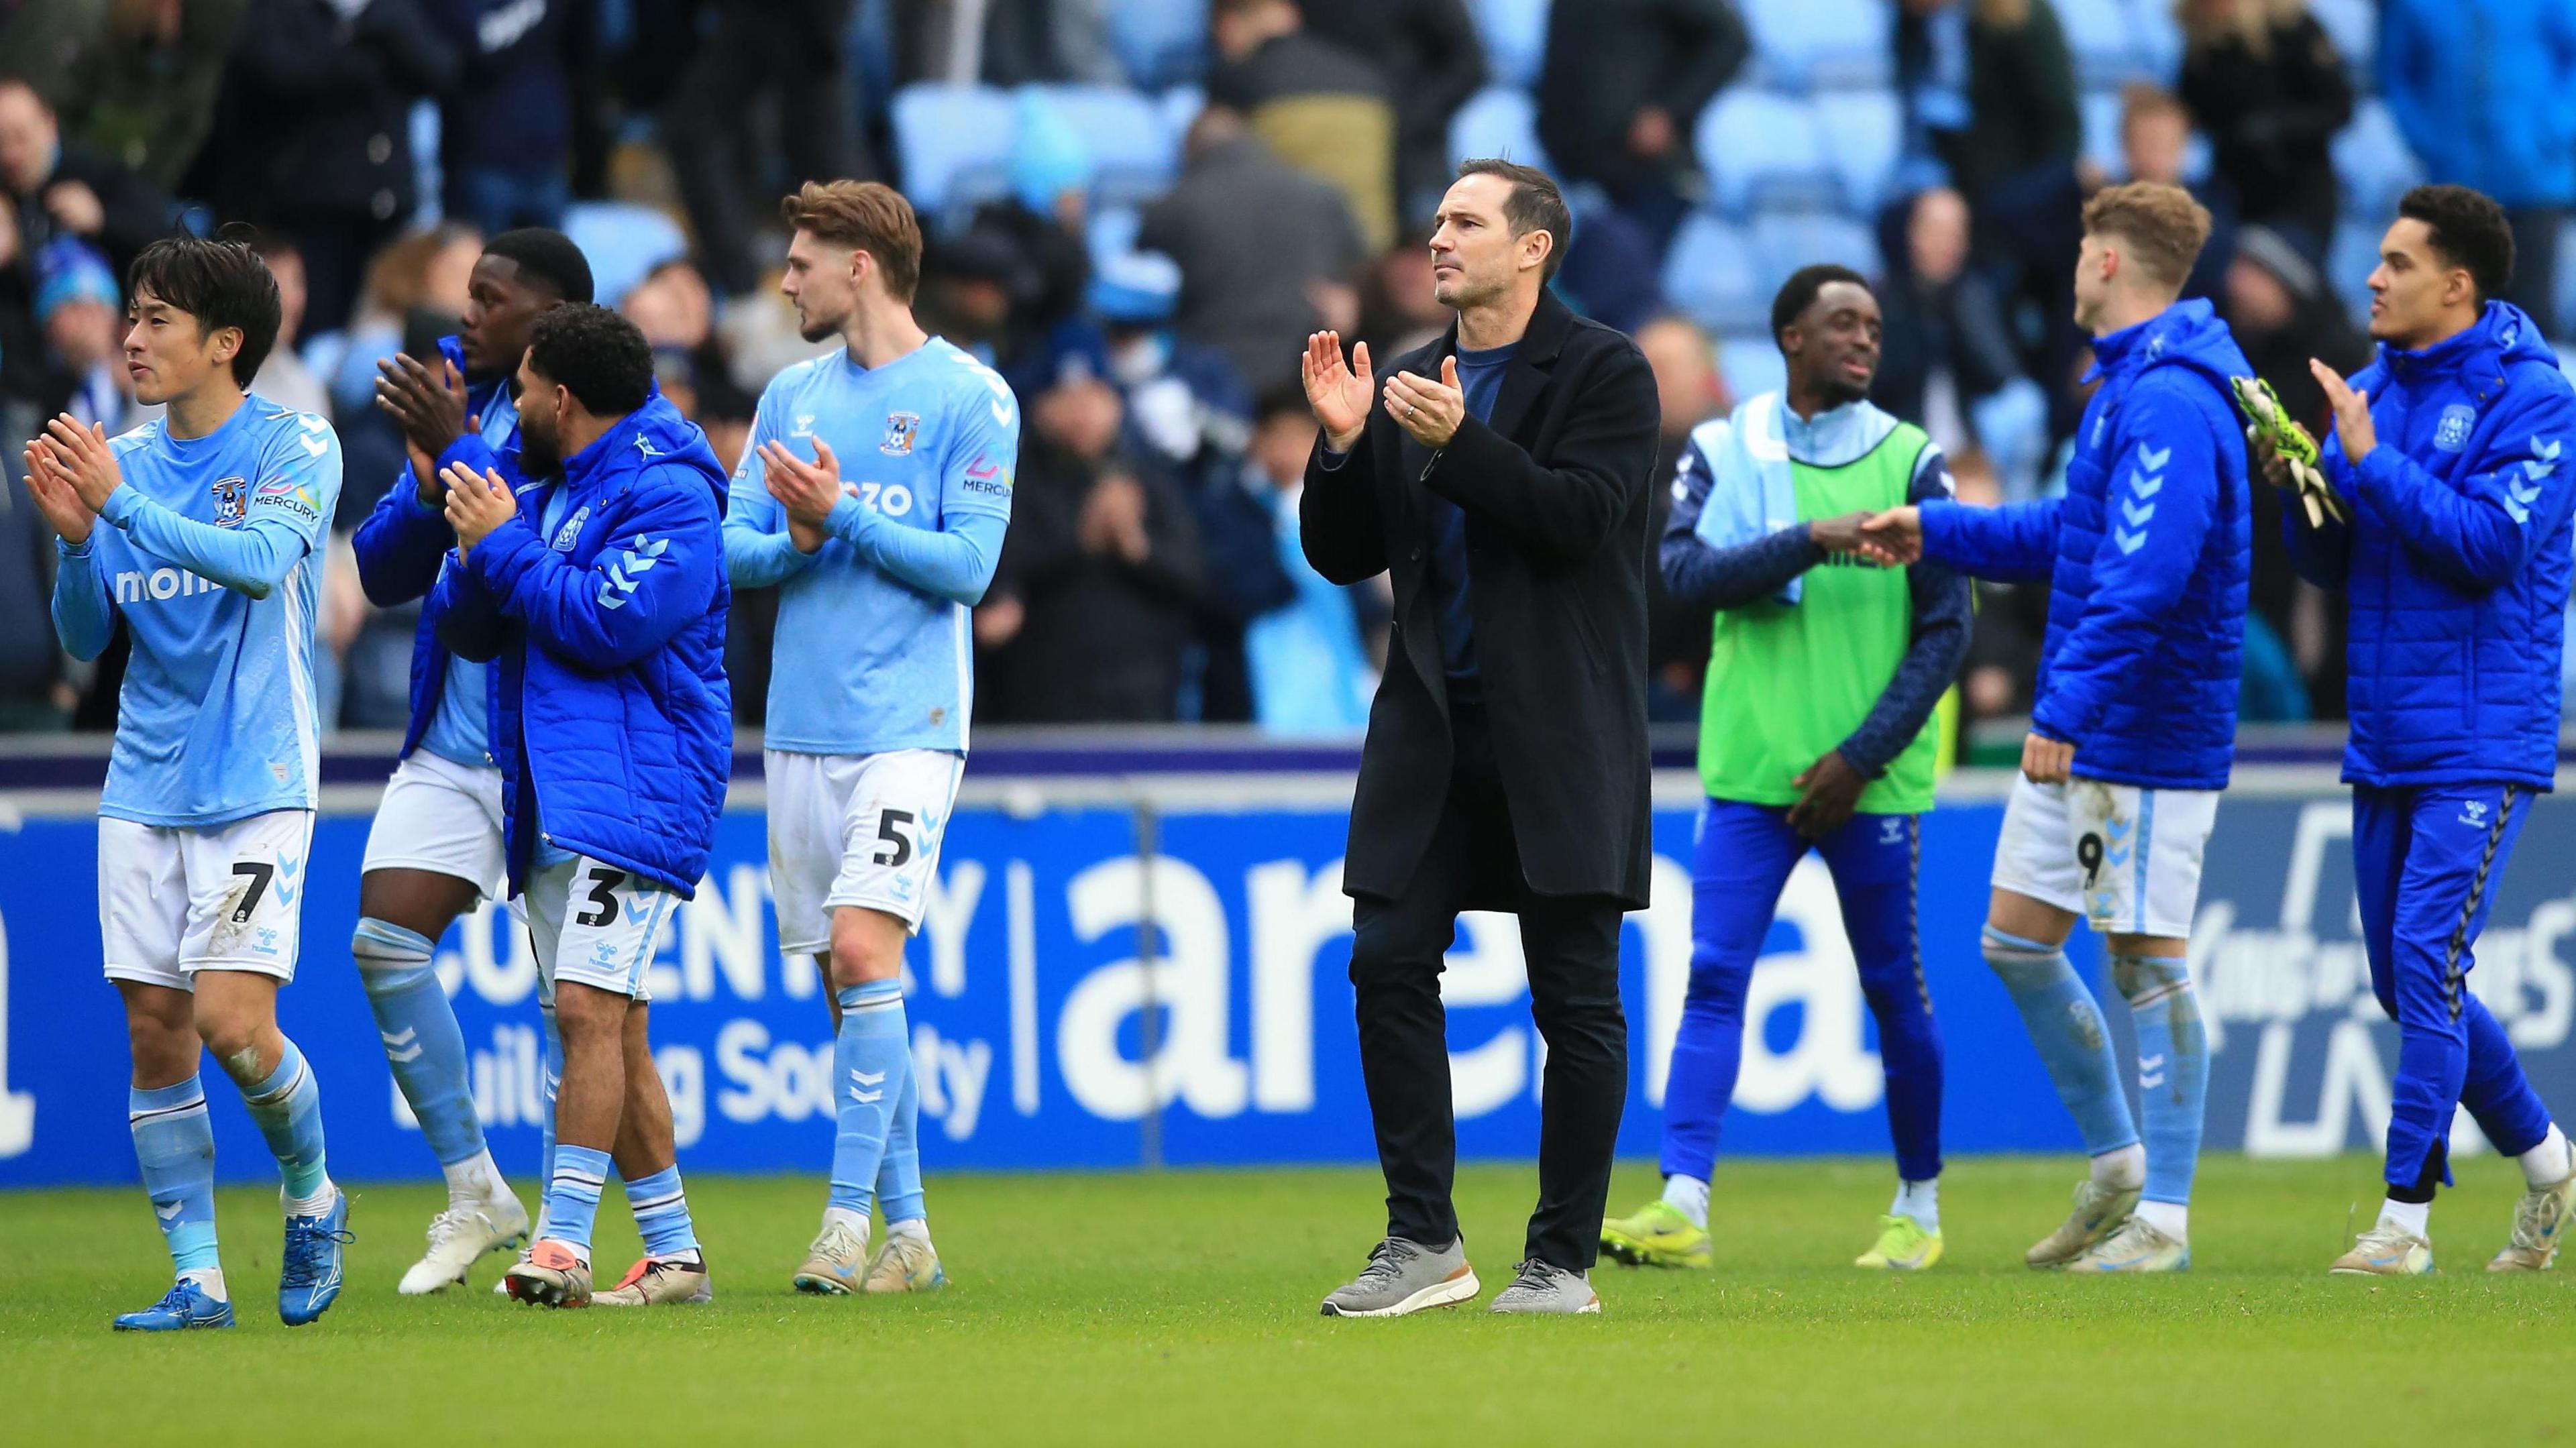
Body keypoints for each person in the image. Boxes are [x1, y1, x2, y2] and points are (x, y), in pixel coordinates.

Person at [1861, 181, 2252, 1272]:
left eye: (2085, 250)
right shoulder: (2130, 388)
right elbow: (2075, 534)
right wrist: (1936, 529)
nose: (2072, 267)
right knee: (2017, 941)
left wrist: (2067, 707)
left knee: (2145, 955)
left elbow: (2144, 580)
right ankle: (2120, 1164)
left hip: (2140, 727)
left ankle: (2165, 1219)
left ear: (2112, 264)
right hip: (2100, 719)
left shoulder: (2172, 400)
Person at [1301, 160, 1659, 1316]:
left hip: (1559, 732)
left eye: (1466, 221)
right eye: (1439, 218)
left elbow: (1581, 520)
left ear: (1533, 246)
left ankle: (1560, 1259)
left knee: (1576, 999)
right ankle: (1424, 1241)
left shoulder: (1603, 368)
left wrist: (1461, 444)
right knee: (1384, 957)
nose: (1440, 237)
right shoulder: (1412, 374)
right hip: (1430, 727)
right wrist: (1349, 446)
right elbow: (1346, 554)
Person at [1603, 266, 1969, 1274]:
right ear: (1788, 337)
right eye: (1841, 322)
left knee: (1894, 987)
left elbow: (1948, 630)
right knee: (1713, 977)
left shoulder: (1911, 460)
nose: (1864, 339)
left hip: (1871, 780)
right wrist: (1809, 538)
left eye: (1874, 325)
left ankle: (1919, 1209)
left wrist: (1861, 755)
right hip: (1753, 765)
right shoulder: (1724, 449)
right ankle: (1683, 1204)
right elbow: (1681, 577)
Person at [28, 234, 350, 1330]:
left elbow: (263, 562)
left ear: (227, 342)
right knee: (157, 1024)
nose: (133, 336)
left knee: (233, 1020)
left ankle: (313, 1192)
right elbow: (85, 639)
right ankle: (199, 1275)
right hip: (144, 780)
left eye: (159, 318)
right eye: (132, 314)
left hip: (258, 775)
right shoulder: (120, 459)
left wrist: (115, 506)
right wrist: (78, 544)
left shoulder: (296, 442)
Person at [2272, 185, 2576, 1275]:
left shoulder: (2537, 399)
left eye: (2397, 262)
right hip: (2389, 723)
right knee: (2409, 979)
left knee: (2424, 958)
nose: (2371, 277)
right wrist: (2306, 492)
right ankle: (2550, 1159)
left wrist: (2369, 458)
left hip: (2485, 726)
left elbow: (2489, 544)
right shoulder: (2369, 390)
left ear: (2458, 283)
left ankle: (2404, 1216)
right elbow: (2341, 557)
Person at [723, 181, 1018, 1296]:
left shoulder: (969, 396)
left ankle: (843, 1224)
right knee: (848, 984)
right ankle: (911, 1233)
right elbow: (729, 551)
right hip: (801, 724)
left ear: (860, 266)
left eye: (802, 260)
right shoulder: (789, 394)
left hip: (912, 722)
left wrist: (842, 514)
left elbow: (968, 568)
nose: (786, 279)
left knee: (860, 950)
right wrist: (801, 535)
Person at [430, 303, 730, 1310]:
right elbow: (479, 630)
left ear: (562, 396)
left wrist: (504, 544)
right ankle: (677, 1251)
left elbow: (606, 620)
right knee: (611, 1018)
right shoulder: (549, 485)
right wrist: (475, 548)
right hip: (557, 788)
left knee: (592, 1010)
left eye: (519, 389)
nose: (510, 408)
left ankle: (560, 1242)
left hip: (639, 789)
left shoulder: (674, 499)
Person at [351, 228, 592, 1296]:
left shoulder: (581, 418)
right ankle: (475, 1189)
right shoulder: (460, 405)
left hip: (548, 752)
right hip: (450, 748)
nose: (465, 313)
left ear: (546, 319)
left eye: (490, 299)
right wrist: (420, 473)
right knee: (383, 937)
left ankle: (596, 1232)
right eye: (467, 293)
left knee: (577, 1008)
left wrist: (457, 450)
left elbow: (529, 555)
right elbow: (381, 568)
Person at [2379, 0, 2576, 335]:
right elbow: (2396, 76)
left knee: (2533, 313)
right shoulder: (2411, 6)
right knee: (2462, 313)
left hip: (2535, 181)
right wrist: (2431, 143)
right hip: (2457, 185)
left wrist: (2552, 129)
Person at [1139, 107, 1366, 396]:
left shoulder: (1173, 206)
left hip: (1210, 373)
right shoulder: (1323, 196)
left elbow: (1142, 288)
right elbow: (1358, 278)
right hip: (1306, 366)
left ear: (1188, 151)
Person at [1535, 0, 1747, 254]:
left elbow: (1729, 38)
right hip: (1573, 169)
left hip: (1645, 173)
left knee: (1624, 280)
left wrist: (1670, 112)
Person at [1207, 0, 1397, 254]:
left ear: (1228, 25)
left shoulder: (1237, 81)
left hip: (1288, 254)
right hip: (1372, 255)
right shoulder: (1369, 78)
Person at [2175, 0, 2352, 264]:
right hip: (2233, 191)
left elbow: (2339, 106)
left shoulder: (2292, 25)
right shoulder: (2203, 41)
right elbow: (2190, 111)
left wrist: (2278, 127)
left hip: (2298, 188)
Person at [0, 76, 172, 282]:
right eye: (1, 141)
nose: (11, 155)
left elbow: (167, 242)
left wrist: (102, 221)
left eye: (21, 137)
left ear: (50, 125)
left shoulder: (100, 174)